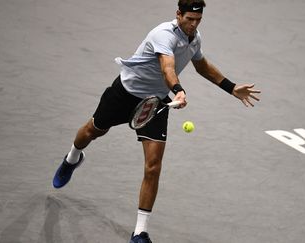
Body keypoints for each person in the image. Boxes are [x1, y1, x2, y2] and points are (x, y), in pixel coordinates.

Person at [52, 0, 261, 242]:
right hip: (125, 93)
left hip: (156, 102)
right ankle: (72, 159)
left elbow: (201, 65)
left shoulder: (195, 38)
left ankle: (140, 232)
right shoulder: (163, 34)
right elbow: (167, 67)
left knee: (153, 166)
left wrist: (231, 87)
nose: (193, 24)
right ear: (178, 14)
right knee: (92, 130)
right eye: (189, 19)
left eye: (198, 20)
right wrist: (178, 90)